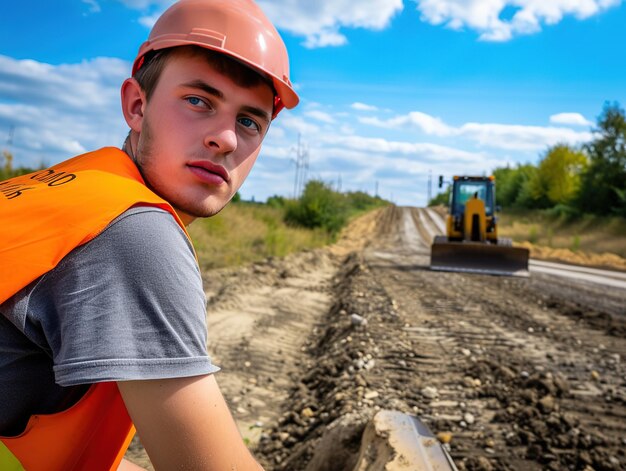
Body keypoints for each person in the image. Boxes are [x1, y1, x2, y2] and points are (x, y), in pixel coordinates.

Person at [0, 0, 298, 469]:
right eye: (199, 101)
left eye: (249, 121)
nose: (227, 139)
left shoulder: (63, 191)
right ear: (137, 106)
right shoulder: (132, 232)